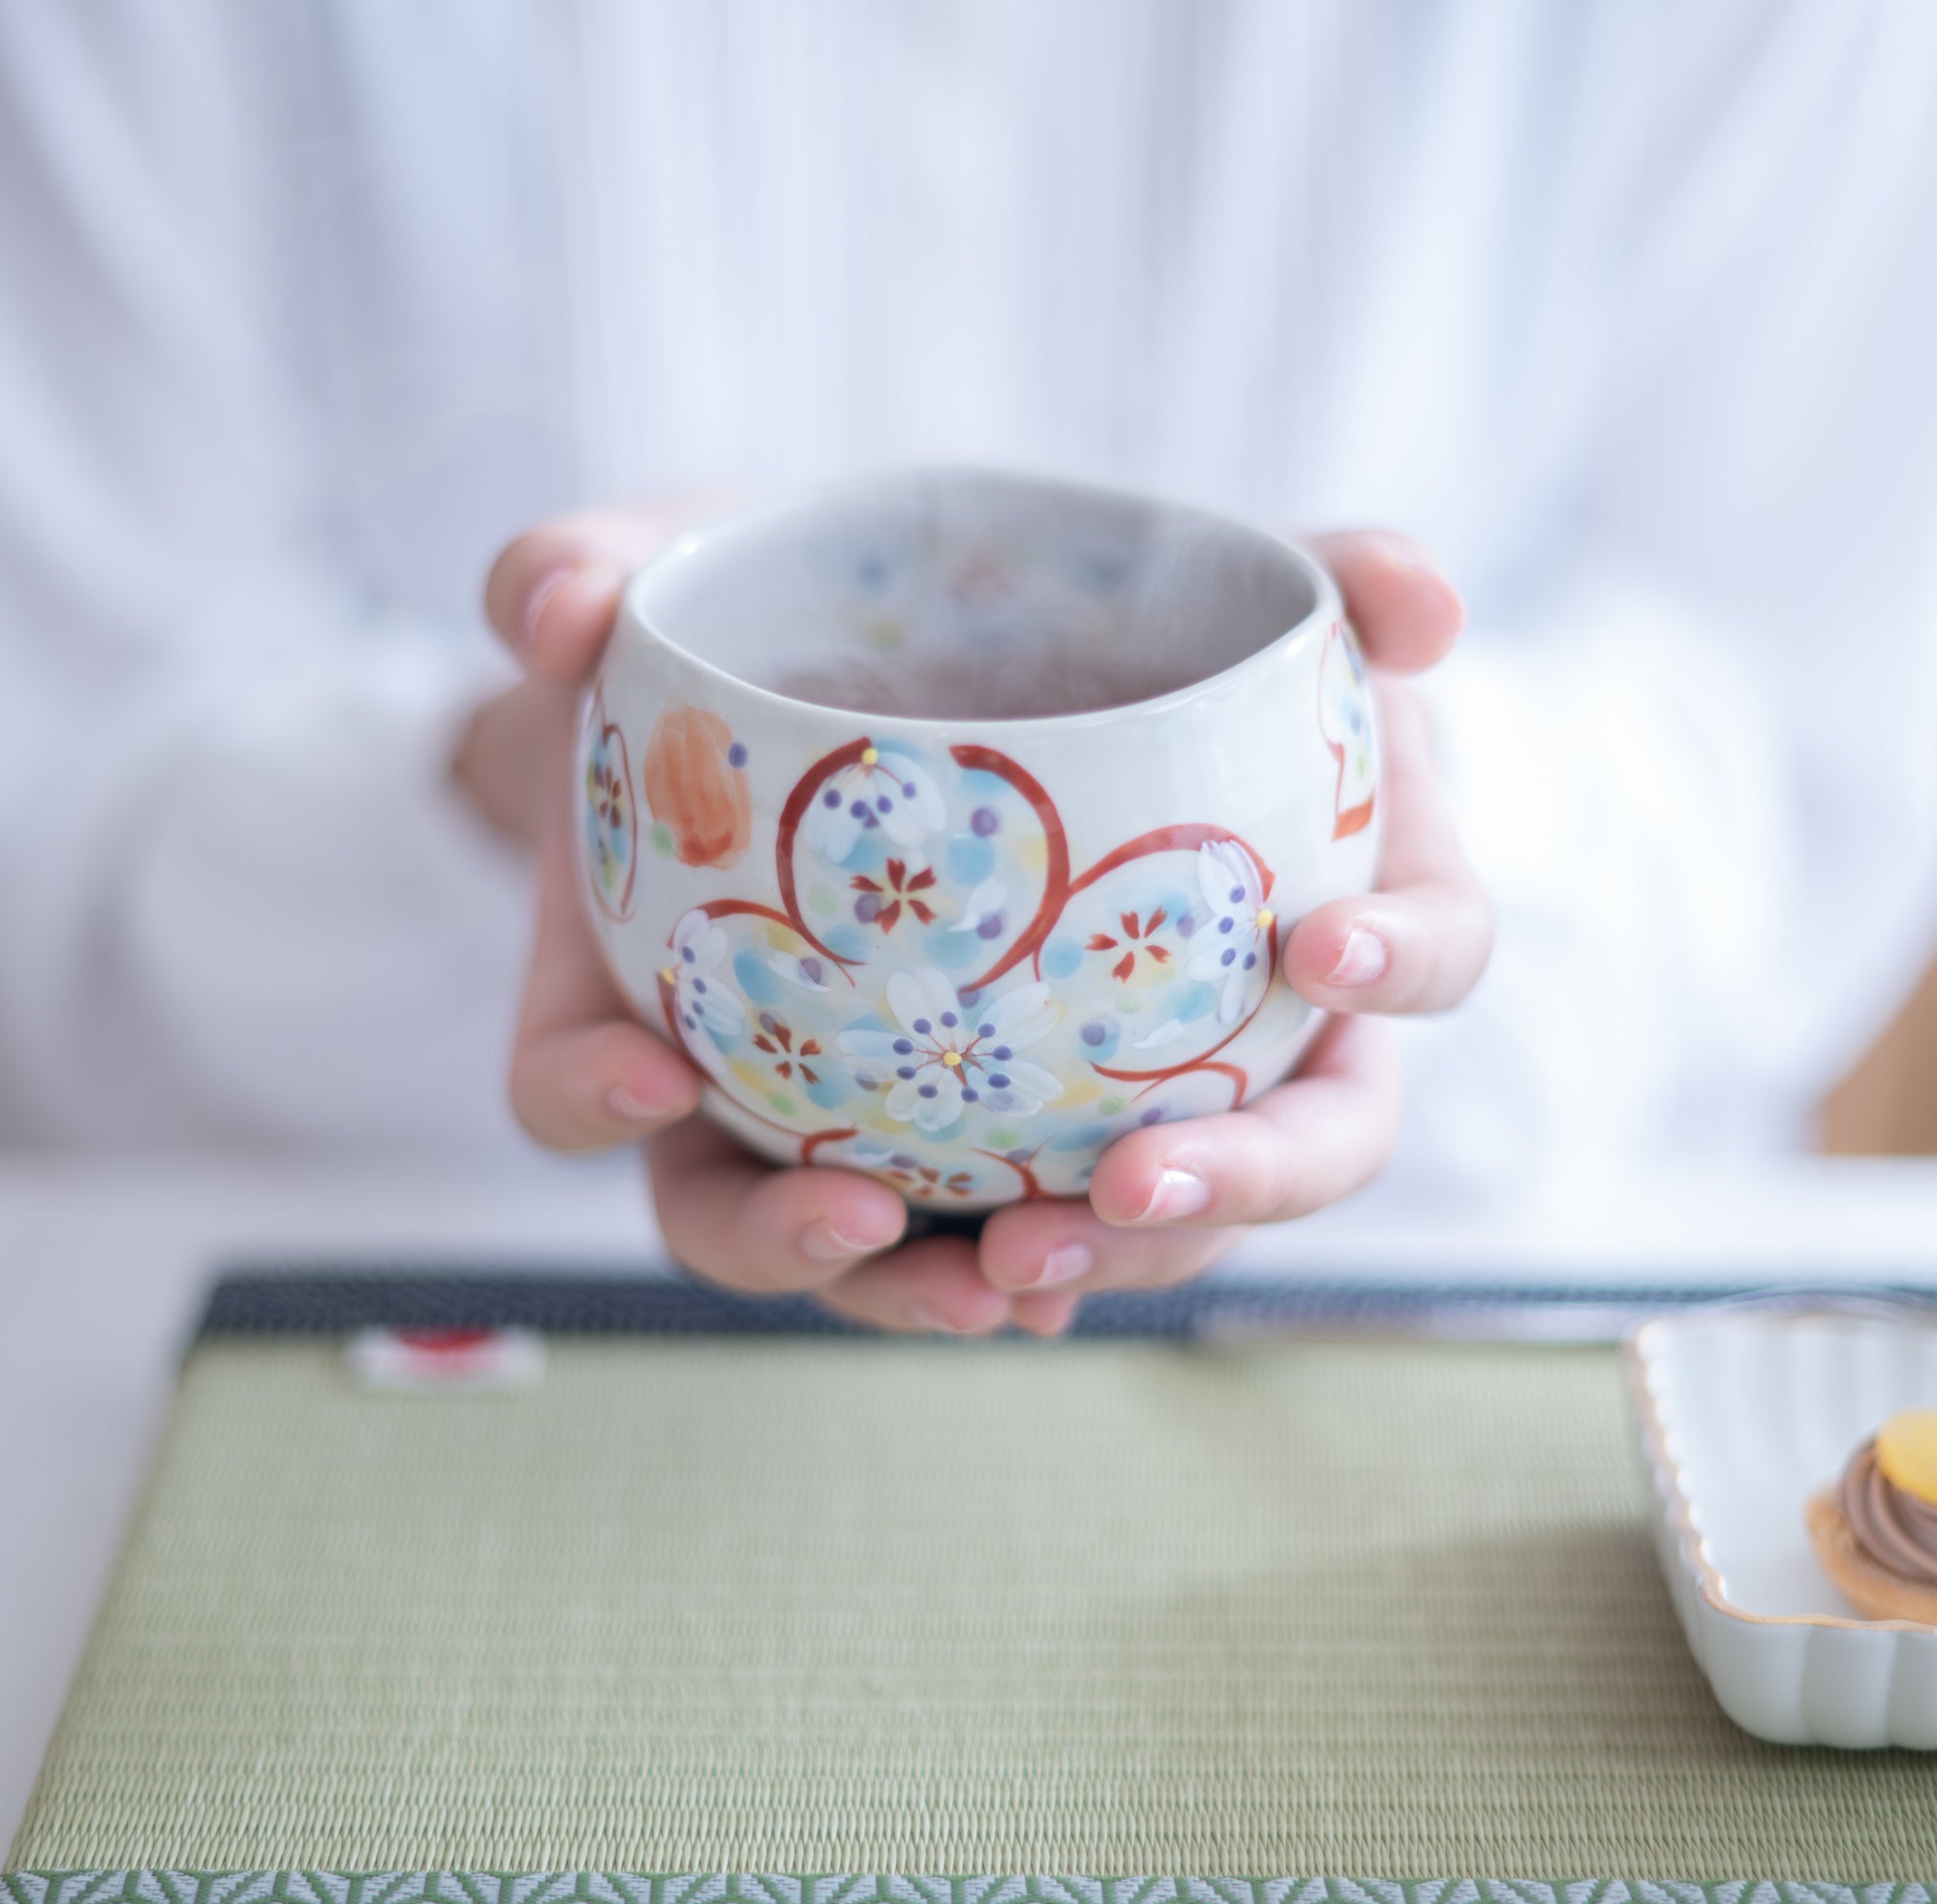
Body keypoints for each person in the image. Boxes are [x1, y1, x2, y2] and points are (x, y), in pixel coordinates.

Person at [2, 4, 1933, 1330]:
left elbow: (1807, 739)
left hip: (1492, 1299)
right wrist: (516, 781)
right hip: (361, 1307)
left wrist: (1376, 826)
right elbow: (65, 791)